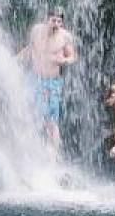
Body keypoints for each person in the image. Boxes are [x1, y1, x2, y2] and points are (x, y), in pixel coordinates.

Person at [18, 11, 76, 152]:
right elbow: (30, 49)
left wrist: (64, 61)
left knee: (51, 119)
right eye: (53, 20)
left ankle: (54, 153)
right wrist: (15, 59)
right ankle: (30, 149)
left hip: (52, 82)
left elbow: (72, 56)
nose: (56, 24)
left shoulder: (65, 37)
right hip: (34, 78)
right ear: (47, 20)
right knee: (30, 113)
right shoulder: (36, 31)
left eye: (59, 22)